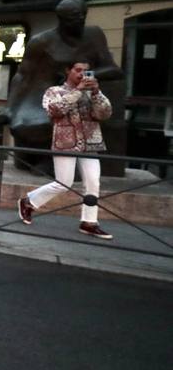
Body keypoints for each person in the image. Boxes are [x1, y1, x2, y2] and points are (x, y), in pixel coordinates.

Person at [1, 0, 126, 172]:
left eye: (82, 16)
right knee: (24, 121)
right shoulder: (41, 41)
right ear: (61, 19)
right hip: (47, 92)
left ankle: (55, 163)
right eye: (73, 18)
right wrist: (9, 108)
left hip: (83, 96)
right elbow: (22, 76)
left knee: (63, 120)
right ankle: (43, 160)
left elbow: (114, 69)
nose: (80, 21)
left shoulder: (94, 35)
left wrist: (86, 77)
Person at [17, 61, 114, 239]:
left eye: (86, 71)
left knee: (93, 182)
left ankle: (89, 222)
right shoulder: (54, 91)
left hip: (90, 143)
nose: (82, 74)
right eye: (78, 70)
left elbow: (105, 113)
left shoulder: (92, 93)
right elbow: (55, 110)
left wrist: (96, 92)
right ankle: (29, 201)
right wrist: (78, 91)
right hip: (66, 142)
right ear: (68, 71)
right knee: (63, 183)